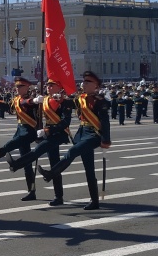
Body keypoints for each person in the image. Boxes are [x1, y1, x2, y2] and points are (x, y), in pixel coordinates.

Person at [39, 71, 111, 211]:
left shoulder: (100, 100)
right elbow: (69, 103)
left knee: (72, 152)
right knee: (89, 169)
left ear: (96, 85)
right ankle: (94, 200)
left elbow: (105, 121)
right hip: (82, 133)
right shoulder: (81, 98)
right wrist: (59, 98)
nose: (84, 84)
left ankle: (51, 174)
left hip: (93, 135)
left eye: (88, 82)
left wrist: (106, 140)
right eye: (84, 81)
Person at [6, 78, 72, 206]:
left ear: (59, 87)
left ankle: (16, 164)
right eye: (47, 85)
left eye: (51, 85)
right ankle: (57, 196)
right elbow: (36, 115)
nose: (48, 87)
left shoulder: (64, 101)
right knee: (54, 163)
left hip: (57, 134)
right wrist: (40, 130)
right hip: (46, 134)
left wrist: (48, 130)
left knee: (39, 152)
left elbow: (65, 121)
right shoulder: (45, 100)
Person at [0, 75, 40, 201]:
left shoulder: (30, 100)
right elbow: (9, 108)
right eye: (16, 86)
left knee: (9, 145)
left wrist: (35, 101)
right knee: (27, 164)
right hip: (20, 130)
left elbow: (28, 103)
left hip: (28, 132)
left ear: (26, 88)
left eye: (20, 86)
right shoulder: (17, 99)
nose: (17, 88)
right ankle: (32, 191)